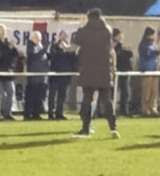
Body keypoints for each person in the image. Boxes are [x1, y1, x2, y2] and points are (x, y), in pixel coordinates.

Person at [72, 8, 120, 139]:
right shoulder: (107, 31)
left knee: (87, 98)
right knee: (107, 100)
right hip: (103, 69)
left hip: (88, 68)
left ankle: (85, 128)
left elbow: (75, 44)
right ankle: (113, 128)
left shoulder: (84, 31)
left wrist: (81, 26)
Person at [0, 25, 18, 120]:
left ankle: (8, 112)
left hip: (8, 71)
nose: (3, 32)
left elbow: (14, 55)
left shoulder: (6, 42)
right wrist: (9, 48)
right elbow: (0, 55)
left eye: (5, 30)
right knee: (0, 93)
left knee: (11, 92)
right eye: (1, 30)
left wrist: (13, 48)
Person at [48, 31, 75, 120]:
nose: (63, 38)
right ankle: (50, 113)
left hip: (65, 75)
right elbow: (52, 56)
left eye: (65, 36)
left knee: (62, 95)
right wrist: (61, 50)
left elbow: (73, 59)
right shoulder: (54, 46)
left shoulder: (69, 48)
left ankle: (59, 112)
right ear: (59, 37)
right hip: (55, 74)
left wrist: (67, 50)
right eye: (62, 36)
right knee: (52, 94)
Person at [24, 31, 50, 120]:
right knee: (31, 95)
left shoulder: (41, 46)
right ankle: (27, 114)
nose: (39, 39)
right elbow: (34, 56)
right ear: (32, 38)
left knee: (39, 96)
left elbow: (46, 57)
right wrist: (44, 49)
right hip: (34, 75)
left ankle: (36, 113)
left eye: (39, 38)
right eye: (36, 37)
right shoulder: (30, 46)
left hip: (42, 75)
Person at [138, 27, 160, 117]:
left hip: (154, 70)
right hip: (146, 70)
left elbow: (157, 51)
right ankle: (145, 109)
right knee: (146, 91)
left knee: (154, 91)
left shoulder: (153, 44)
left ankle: (153, 108)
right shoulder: (143, 45)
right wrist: (156, 51)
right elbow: (147, 54)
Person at [113, 28, 135, 117]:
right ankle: (109, 110)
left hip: (124, 72)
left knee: (125, 92)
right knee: (113, 92)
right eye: (119, 35)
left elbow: (130, 55)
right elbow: (118, 56)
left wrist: (128, 50)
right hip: (117, 72)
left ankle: (124, 110)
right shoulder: (114, 46)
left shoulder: (121, 46)